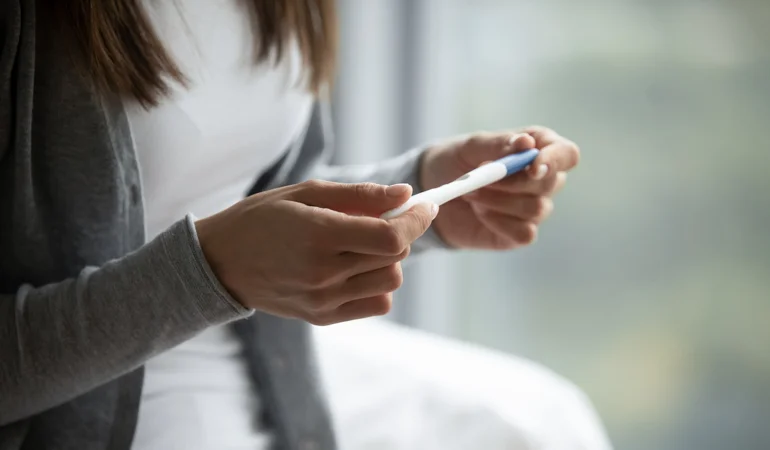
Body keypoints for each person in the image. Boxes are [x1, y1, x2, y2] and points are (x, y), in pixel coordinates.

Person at [0, 1, 581, 449]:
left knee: (541, 420)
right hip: (86, 417)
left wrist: (424, 193)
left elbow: (240, 186)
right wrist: (206, 276)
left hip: (274, 369)